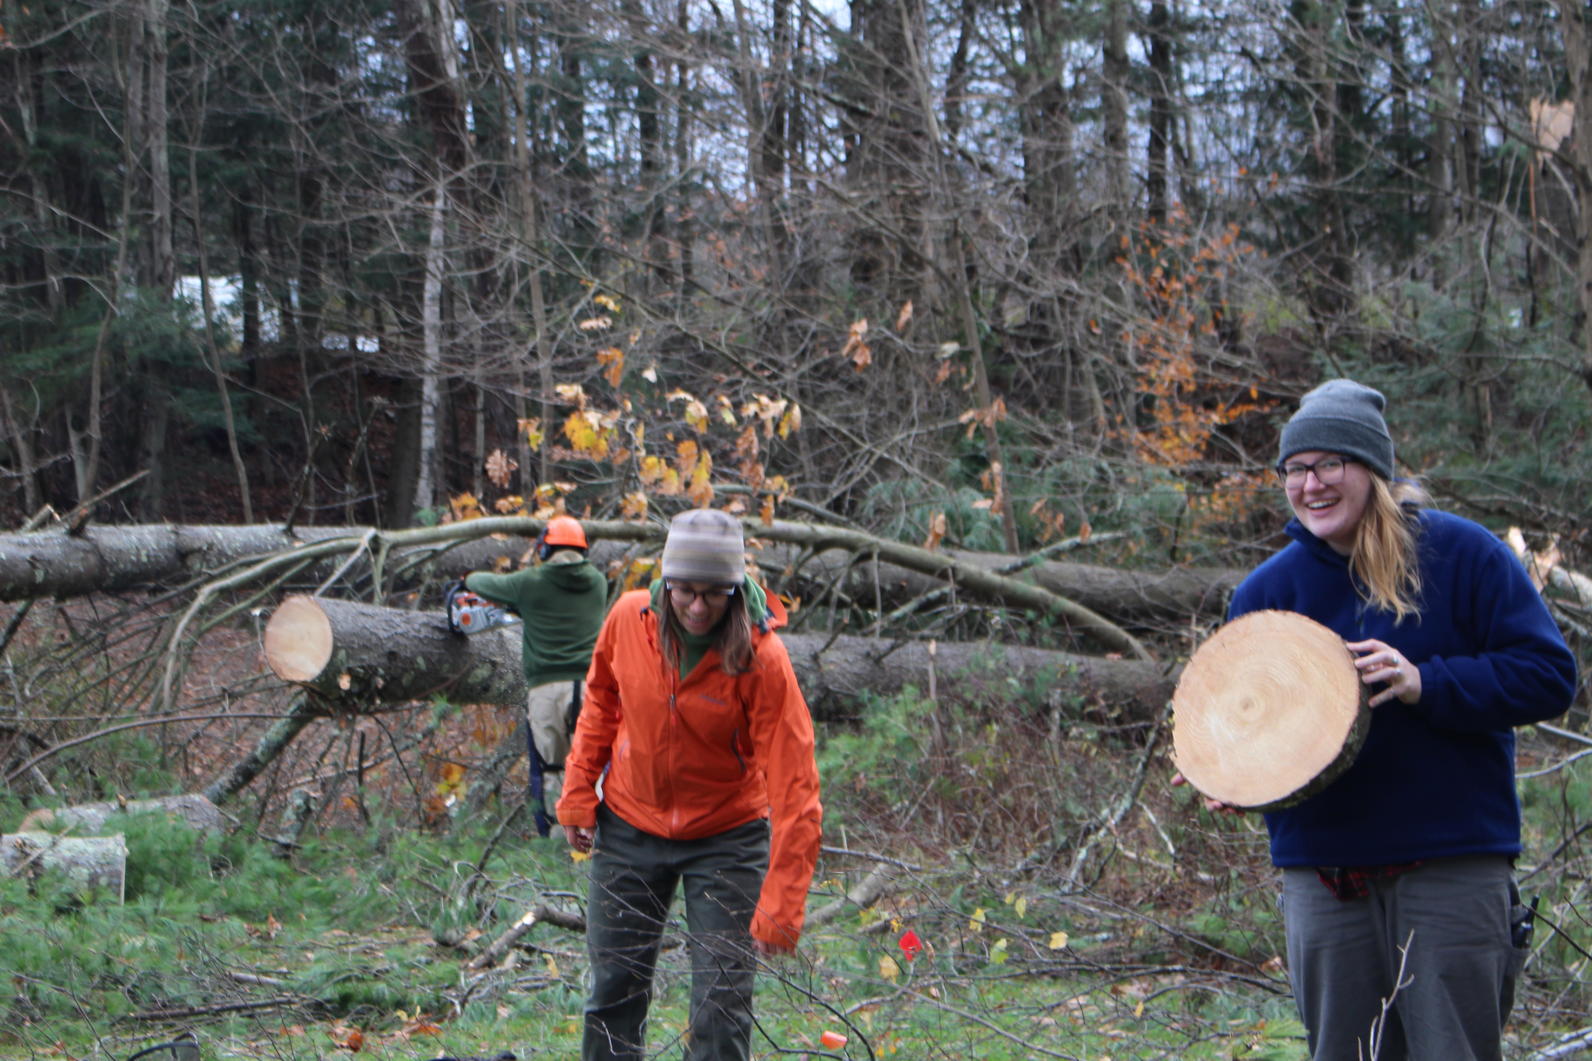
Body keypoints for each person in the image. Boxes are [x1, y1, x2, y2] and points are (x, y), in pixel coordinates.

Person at [1206, 379, 1577, 1060]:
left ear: (1371, 469)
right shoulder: (1266, 594)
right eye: (1295, 468)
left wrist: (1425, 681)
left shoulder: (1464, 557)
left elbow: (1550, 676)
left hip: (1450, 870)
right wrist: (1232, 772)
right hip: (1325, 878)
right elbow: (1247, 724)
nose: (1310, 483)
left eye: (1328, 464)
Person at [556, 508, 823, 1061]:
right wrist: (579, 792)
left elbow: (796, 785)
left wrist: (782, 903)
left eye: (714, 594)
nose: (698, 607)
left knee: (720, 1008)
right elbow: (601, 700)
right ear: (666, 583)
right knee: (613, 992)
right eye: (685, 592)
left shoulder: (761, 658)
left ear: (735, 589)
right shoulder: (630, 619)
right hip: (629, 824)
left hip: (727, 836)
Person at [465, 515, 609, 835]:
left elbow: (478, 582)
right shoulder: (598, 582)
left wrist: (473, 579)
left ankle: (560, 839)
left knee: (553, 768)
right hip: (590, 688)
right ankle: (601, 838)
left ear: (546, 548)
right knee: (592, 766)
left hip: (546, 689)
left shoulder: (529, 582)